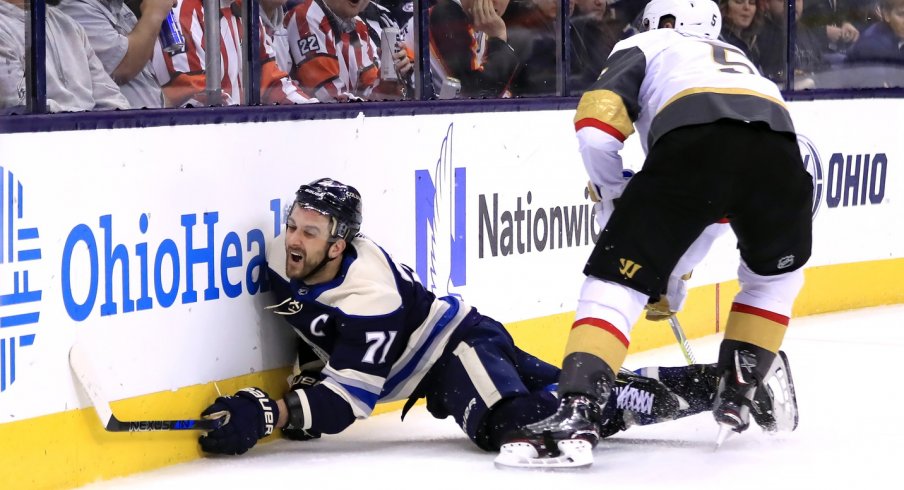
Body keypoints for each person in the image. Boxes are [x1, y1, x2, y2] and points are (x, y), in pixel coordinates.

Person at [195, 178, 800, 459]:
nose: (293, 239)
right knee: (563, 394)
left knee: (516, 426)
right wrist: (300, 385)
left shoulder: (369, 298)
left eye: (311, 231)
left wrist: (273, 412)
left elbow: (352, 401)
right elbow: (310, 325)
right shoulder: (283, 256)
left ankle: (695, 390)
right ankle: (723, 383)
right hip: (457, 341)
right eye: (294, 223)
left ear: (338, 244)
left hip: (454, 350)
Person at [498, 0, 812, 467]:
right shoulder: (738, 60)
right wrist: (669, 278)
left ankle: (578, 407)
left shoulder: (647, 42)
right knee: (774, 277)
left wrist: (611, 195)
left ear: (662, 22)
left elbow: (597, 130)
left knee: (613, 284)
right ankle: (741, 385)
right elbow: (711, 211)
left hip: (694, 146)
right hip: (782, 154)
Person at [155, 0, 312, 107]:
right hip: (198, 144)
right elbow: (197, 99)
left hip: (236, 136)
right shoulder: (181, 12)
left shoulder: (246, 8)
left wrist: (314, 111)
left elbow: (272, 82)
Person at [0, 0, 130, 112]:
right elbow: (17, 105)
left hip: (92, 134)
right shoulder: (3, 27)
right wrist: (85, 120)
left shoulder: (69, 24)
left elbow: (111, 98)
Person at [284, 0, 409, 102]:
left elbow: (369, 92)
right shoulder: (306, 17)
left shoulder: (359, 26)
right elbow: (328, 98)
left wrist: (389, 84)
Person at [57, 0, 172, 109]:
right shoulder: (76, 8)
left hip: (147, 122)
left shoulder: (120, 8)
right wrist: (154, 14)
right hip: (115, 125)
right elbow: (123, 67)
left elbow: (142, 88)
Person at [405, 0, 518, 98]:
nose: (497, 1)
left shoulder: (482, 24)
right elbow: (478, 93)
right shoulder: (445, 14)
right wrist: (499, 38)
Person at [756, 0, 828, 88]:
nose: (791, 5)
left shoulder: (807, 33)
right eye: (782, 0)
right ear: (767, 4)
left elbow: (823, 69)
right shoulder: (758, 36)